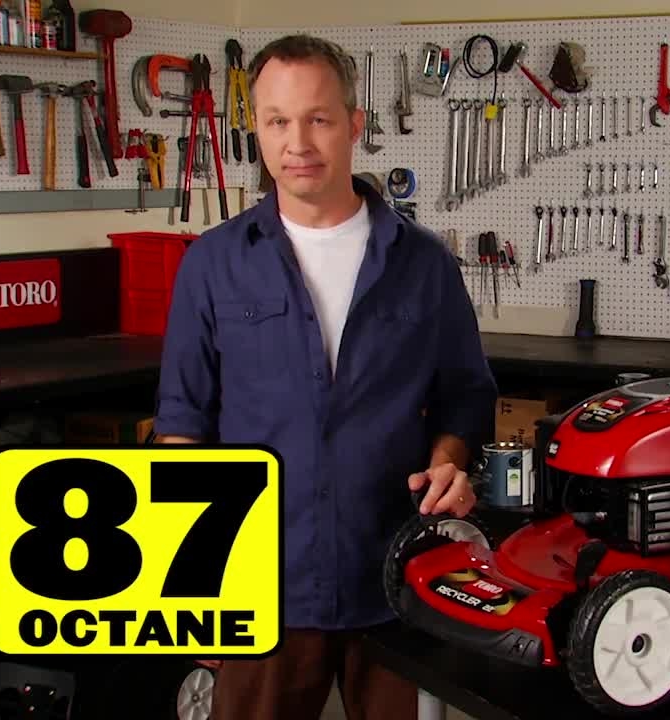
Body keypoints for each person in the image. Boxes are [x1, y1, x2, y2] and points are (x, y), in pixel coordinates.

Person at [151, 33, 499, 720]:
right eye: (278, 121)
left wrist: (449, 461)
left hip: (397, 581)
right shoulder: (213, 265)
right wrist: (195, 591)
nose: (298, 143)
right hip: (264, 589)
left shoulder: (424, 264)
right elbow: (183, 425)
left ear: (354, 124)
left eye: (318, 118)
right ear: (257, 130)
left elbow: (465, 397)